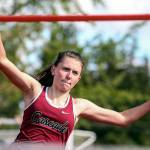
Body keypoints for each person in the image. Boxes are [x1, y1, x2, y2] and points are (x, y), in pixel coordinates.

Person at [0, 34, 150, 150]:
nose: (68, 75)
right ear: (54, 69)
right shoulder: (34, 90)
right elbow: (2, 60)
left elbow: (124, 119)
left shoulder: (78, 106)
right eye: (65, 69)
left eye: (74, 72)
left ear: (78, 78)